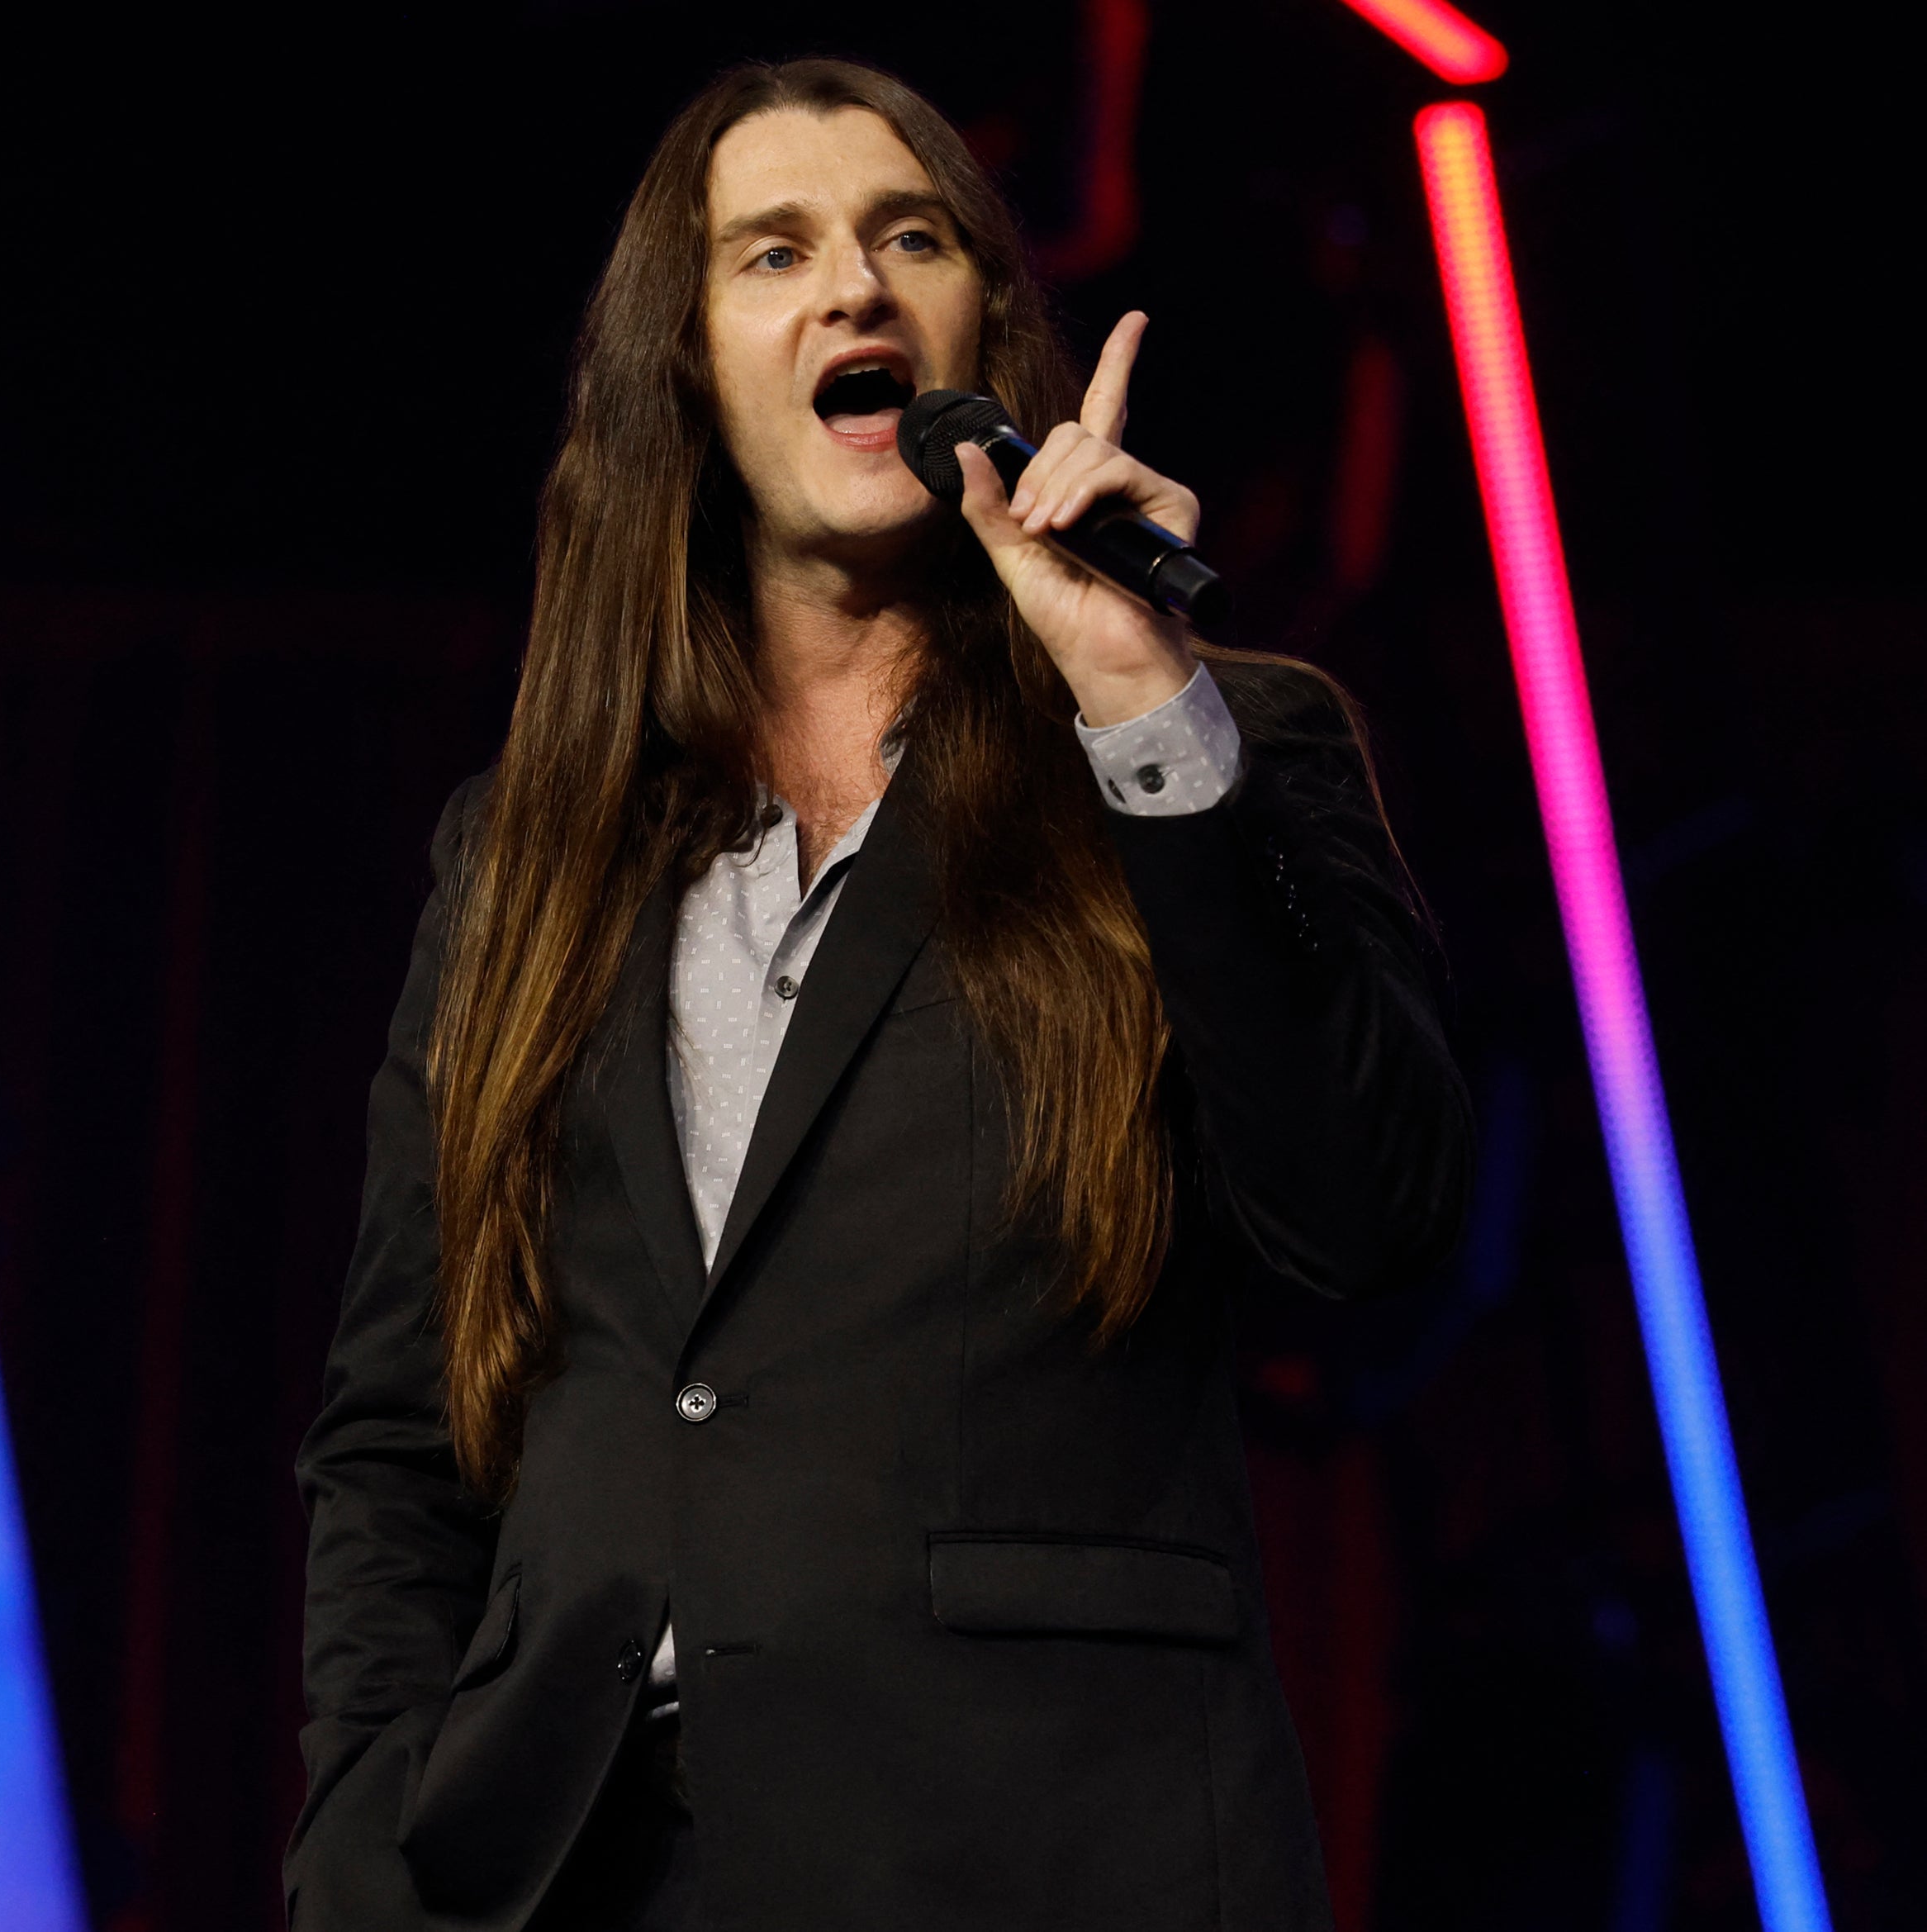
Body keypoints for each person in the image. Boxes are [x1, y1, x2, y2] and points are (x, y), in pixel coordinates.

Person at [288, 56, 1470, 1932]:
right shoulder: (527, 850)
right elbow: (400, 1432)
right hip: (572, 1871)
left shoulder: (1211, 747)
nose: (849, 286)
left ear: (977, 335)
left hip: (1033, 1854)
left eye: (903, 238)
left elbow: (1367, 1221)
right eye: (771, 254)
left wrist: (1140, 707)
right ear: (683, 372)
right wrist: (367, 1848)